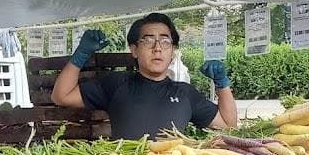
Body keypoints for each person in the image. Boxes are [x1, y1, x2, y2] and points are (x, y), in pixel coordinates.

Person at [51, 13, 237, 140]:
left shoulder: (185, 93)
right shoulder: (116, 84)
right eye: (148, 40)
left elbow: (228, 124)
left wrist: (222, 84)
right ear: (134, 50)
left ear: (172, 52)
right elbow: (61, 96)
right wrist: (80, 55)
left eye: (165, 41)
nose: (157, 48)